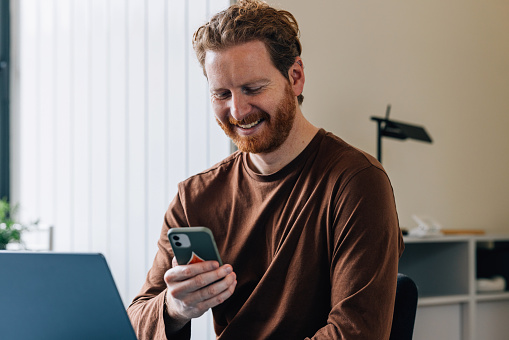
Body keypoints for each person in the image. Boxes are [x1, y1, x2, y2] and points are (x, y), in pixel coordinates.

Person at [127, 0, 404, 339]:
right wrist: (174, 307)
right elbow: (136, 318)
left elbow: (357, 333)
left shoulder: (356, 182)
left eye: (253, 89)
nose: (238, 110)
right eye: (221, 94)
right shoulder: (195, 198)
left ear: (296, 77)